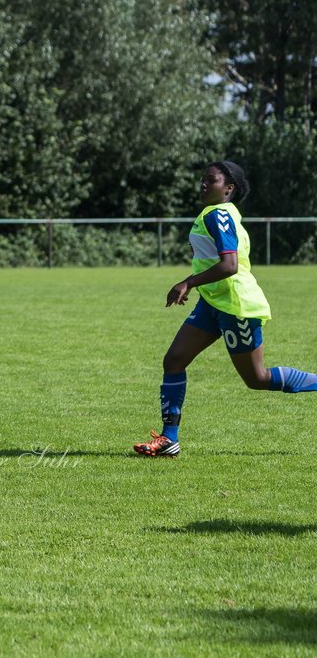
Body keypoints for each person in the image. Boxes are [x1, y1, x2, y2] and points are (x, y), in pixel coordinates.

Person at [134, 161, 317, 457]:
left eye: (211, 180)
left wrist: (188, 282)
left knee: (257, 379)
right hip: (213, 301)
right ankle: (169, 439)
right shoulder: (215, 213)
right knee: (174, 360)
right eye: (203, 179)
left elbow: (229, 265)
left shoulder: (219, 214)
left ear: (228, 189)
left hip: (235, 305)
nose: (203, 184)